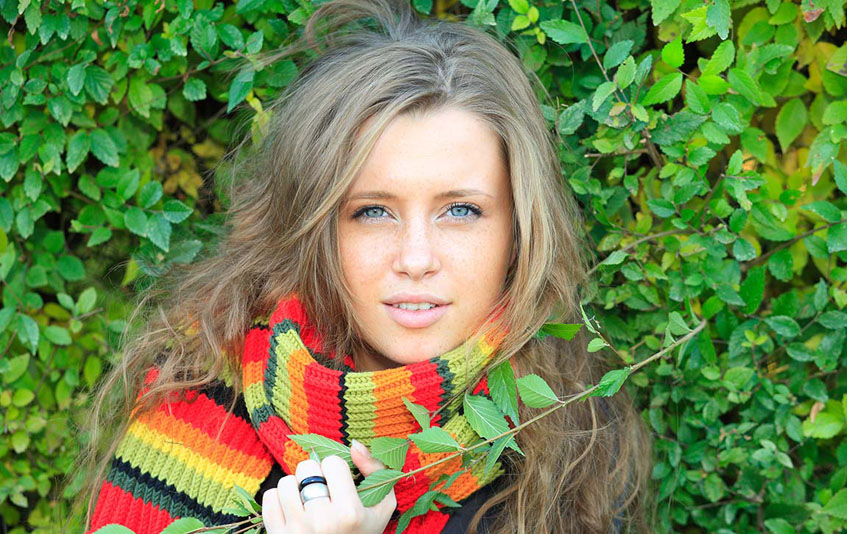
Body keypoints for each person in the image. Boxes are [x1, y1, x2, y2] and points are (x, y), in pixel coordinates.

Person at [68, 0, 652, 532]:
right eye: (373, 211)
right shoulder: (195, 398)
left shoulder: (571, 437)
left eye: (461, 211)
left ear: (519, 232)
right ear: (314, 227)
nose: (416, 259)